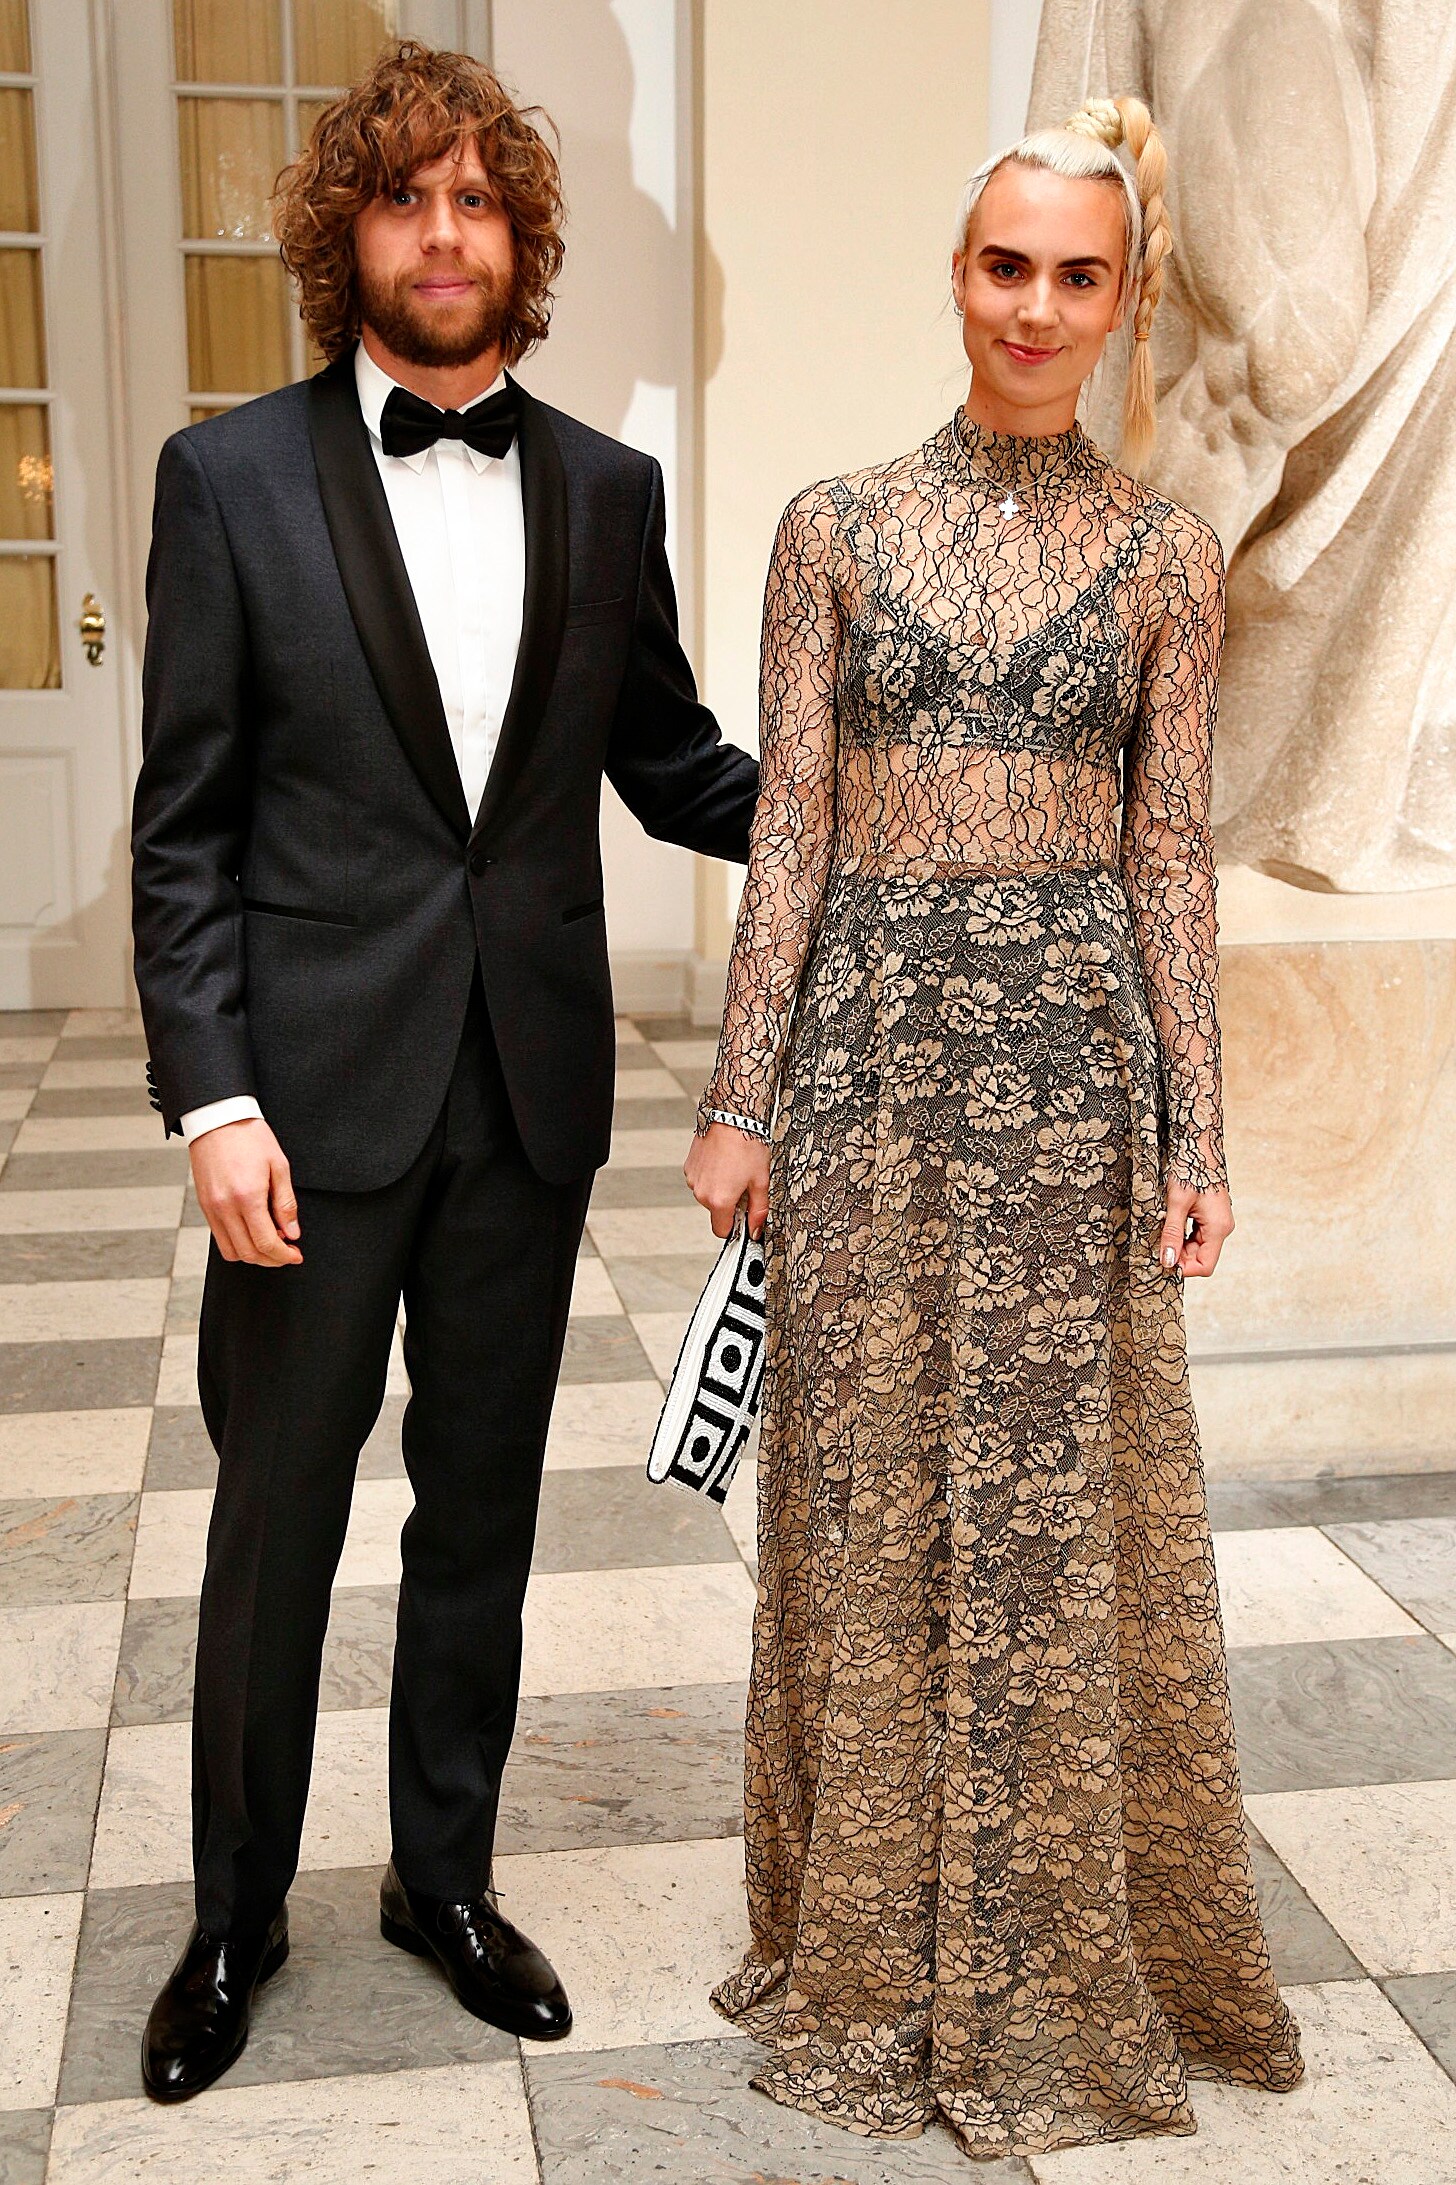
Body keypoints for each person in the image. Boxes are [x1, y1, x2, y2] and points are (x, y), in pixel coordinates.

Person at [131, 40, 758, 2103]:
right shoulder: (228, 480)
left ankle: (445, 1878)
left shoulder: (606, 490)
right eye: (406, 197)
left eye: (479, 199)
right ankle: (236, 1913)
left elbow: (670, 762)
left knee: (479, 1510)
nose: (445, 231)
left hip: (525, 1097)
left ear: (521, 241)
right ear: (351, 236)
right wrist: (214, 1099)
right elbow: (185, 830)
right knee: (277, 1521)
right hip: (306, 1111)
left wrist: (888, 802)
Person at [685, 95, 1303, 2160]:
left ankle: (1046, 1946)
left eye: (1076, 275)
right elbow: (790, 827)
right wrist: (739, 1095)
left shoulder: (1164, 556)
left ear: (1124, 303)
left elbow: (1168, 853)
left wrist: (1198, 1131)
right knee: (865, 1491)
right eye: (1004, 264)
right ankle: (868, 1938)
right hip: (864, 1066)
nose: (1035, 305)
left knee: (1051, 1512)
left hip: (1069, 1082)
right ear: (956, 276)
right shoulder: (833, 529)